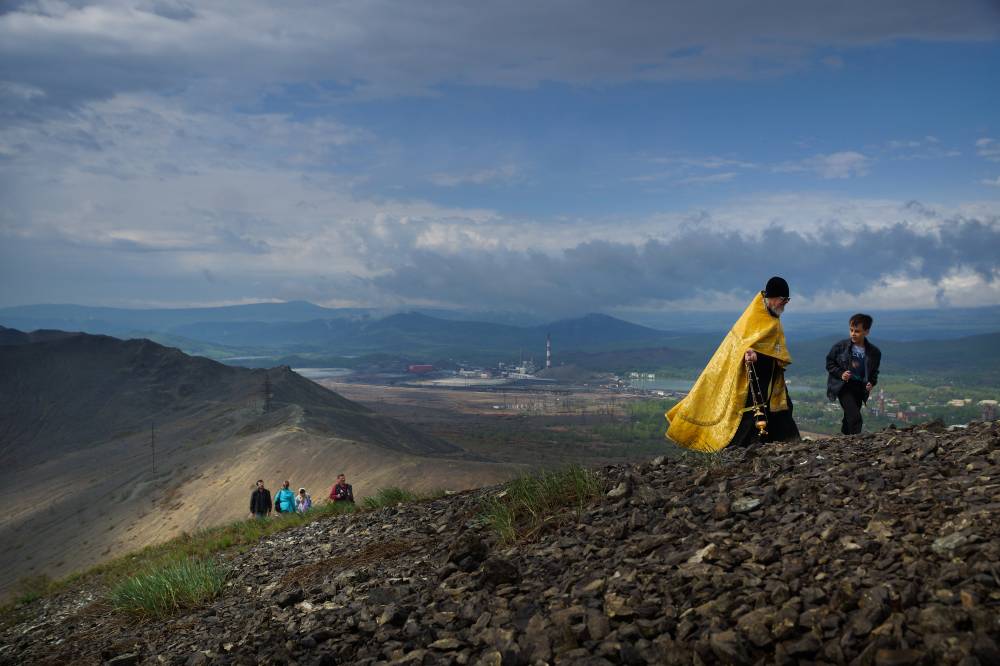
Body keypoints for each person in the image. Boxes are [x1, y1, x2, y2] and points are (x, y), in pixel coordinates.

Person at [666, 276, 800, 452]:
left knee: (780, 408)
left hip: (770, 375)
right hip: (748, 376)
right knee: (749, 413)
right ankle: (746, 449)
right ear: (773, 297)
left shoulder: (773, 317)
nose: (785, 304)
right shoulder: (753, 317)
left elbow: (775, 347)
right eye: (784, 300)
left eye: (787, 300)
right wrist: (748, 352)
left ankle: (788, 445)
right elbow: (740, 345)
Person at [826, 313, 881, 435]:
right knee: (855, 418)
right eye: (851, 330)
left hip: (859, 388)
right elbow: (829, 363)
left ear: (866, 332)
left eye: (857, 331)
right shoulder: (840, 347)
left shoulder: (874, 352)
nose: (853, 334)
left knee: (849, 417)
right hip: (843, 386)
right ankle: (855, 445)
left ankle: (843, 442)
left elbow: (874, 372)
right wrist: (841, 374)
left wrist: (871, 383)